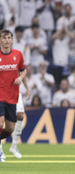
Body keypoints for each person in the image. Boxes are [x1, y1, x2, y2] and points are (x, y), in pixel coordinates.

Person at [0, 30, 28, 162]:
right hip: (0, 94)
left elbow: (23, 70)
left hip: (12, 95)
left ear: (12, 40)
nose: (6, 40)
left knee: (10, 128)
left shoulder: (18, 54)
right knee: (0, 122)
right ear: (0, 40)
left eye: (8, 38)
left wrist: (21, 78)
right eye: (4, 38)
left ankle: (12, 147)